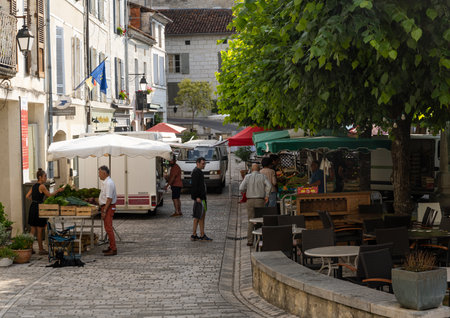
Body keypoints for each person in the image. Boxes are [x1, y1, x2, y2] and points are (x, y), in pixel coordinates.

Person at [25, 168, 64, 255]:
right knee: (39, 230)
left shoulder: (33, 186)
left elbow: (27, 196)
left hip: (33, 207)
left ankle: (30, 248)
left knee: (32, 230)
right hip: (39, 208)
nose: (46, 178)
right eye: (45, 176)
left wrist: (34, 200)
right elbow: (49, 195)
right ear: (40, 177)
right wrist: (58, 190)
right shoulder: (42, 186)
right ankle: (41, 249)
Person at [239, 163, 272, 247]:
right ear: (259, 169)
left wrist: (246, 190)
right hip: (260, 200)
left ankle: (250, 241)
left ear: (252, 169)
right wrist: (267, 195)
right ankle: (260, 240)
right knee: (260, 220)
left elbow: (241, 188)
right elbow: (269, 186)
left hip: (249, 200)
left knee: (251, 220)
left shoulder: (247, 177)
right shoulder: (262, 177)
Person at [191, 157, 212, 241]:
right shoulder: (196, 172)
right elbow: (194, 186)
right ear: (198, 163)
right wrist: (196, 197)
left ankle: (196, 234)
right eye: (203, 164)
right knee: (199, 216)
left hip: (202, 198)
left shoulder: (198, 172)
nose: (204, 165)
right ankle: (199, 234)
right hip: (200, 198)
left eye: (205, 164)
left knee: (199, 216)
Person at [98, 165, 118, 256]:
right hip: (106, 207)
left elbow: (109, 199)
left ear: (104, 173)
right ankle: (111, 246)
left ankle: (113, 249)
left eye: (99, 173)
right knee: (107, 227)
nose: (99, 175)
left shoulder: (109, 183)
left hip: (108, 207)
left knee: (109, 228)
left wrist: (104, 210)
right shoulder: (106, 182)